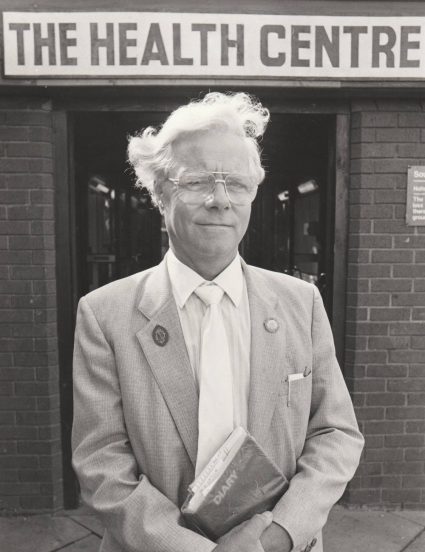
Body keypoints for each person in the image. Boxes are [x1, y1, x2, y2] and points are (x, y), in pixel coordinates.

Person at [72, 92, 364, 552]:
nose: (220, 200)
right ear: (160, 192)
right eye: (199, 181)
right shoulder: (104, 314)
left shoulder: (300, 302)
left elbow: (336, 434)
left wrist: (274, 538)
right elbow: (101, 464)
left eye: (237, 183)